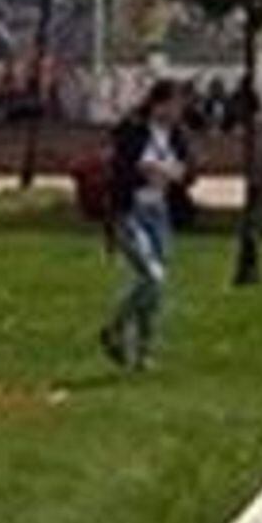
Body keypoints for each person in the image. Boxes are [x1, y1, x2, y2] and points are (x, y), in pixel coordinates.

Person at [100, 79, 192, 371]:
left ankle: (143, 351)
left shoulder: (176, 135)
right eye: (174, 103)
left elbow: (188, 168)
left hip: (159, 211)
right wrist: (146, 173)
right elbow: (122, 169)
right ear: (158, 103)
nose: (179, 110)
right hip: (131, 211)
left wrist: (177, 174)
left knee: (154, 287)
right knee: (152, 276)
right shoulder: (133, 130)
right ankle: (114, 327)